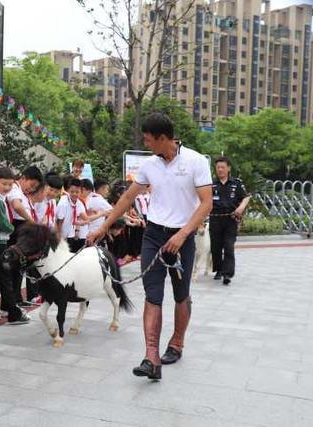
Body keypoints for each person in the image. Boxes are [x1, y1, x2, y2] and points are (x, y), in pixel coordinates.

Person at [87, 113, 212, 381]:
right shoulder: (150, 165)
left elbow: (206, 204)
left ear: (163, 138)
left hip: (183, 237)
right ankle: (151, 358)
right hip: (153, 235)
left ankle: (177, 342)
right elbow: (127, 197)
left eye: (148, 139)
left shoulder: (195, 161)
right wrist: (102, 227)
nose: (146, 144)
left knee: (181, 294)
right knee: (152, 294)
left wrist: (182, 234)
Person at [0, 167, 30, 325]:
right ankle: (13, 313)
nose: (8, 187)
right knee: (4, 278)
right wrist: (12, 228)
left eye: (10, 184)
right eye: (4, 184)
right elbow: (3, 224)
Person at [6, 166, 43, 307]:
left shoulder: (23, 193)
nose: (31, 189)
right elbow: (16, 206)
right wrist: (30, 220)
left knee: (20, 266)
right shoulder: (15, 188)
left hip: (22, 229)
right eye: (31, 185)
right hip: (15, 228)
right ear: (23, 178)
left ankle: (16, 298)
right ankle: (11, 301)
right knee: (14, 266)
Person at [210, 157, 250, 286]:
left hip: (230, 219)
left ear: (228, 168)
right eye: (218, 167)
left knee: (228, 246)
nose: (220, 170)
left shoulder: (236, 183)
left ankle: (227, 274)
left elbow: (246, 197)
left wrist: (241, 208)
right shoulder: (211, 184)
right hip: (215, 218)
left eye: (222, 167)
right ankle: (219, 269)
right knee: (216, 247)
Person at [56, 178, 90, 253]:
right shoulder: (63, 203)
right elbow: (59, 222)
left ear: (81, 192)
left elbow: (83, 218)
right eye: (72, 192)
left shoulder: (78, 202)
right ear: (68, 191)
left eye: (77, 192)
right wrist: (60, 238)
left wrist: (79, 226)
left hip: (70, 234)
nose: (74, 194)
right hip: (62, 235)